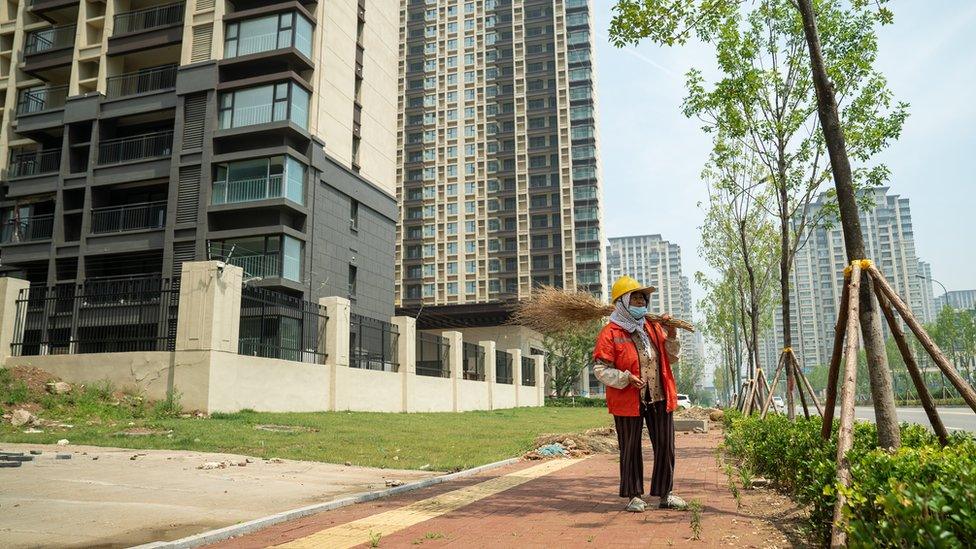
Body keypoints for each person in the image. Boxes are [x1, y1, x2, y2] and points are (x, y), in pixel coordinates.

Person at [592, 276, 687, 512]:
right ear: (622, 302)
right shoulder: (610, 332)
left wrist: (672, 334)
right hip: (628, 399)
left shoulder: (652, 327)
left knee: (666, 444)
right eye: (635, 298)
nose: (640, 302)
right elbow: (601, 369)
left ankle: (666, 493)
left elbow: (672, 357)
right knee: (630, 446)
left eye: (642, 298)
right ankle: (634, 495)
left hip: (658, 395)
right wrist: (625, 377)